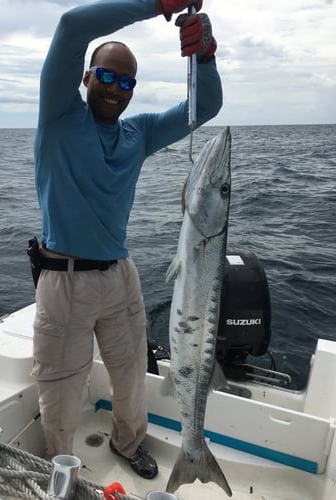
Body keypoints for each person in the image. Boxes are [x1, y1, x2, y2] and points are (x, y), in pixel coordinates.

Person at [32, 0, 222, 480]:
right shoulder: (58, 117)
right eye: (107, 76)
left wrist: (205, 56)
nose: (117, 89)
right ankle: (61, 469)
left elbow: (206, 108)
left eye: (127, 82)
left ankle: (128, 443)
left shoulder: (138, 134)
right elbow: (71, 25)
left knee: (132, 376)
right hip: (65, 279)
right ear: (85, 78)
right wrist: (158, 4)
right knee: (61, 391)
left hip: (121, 277)